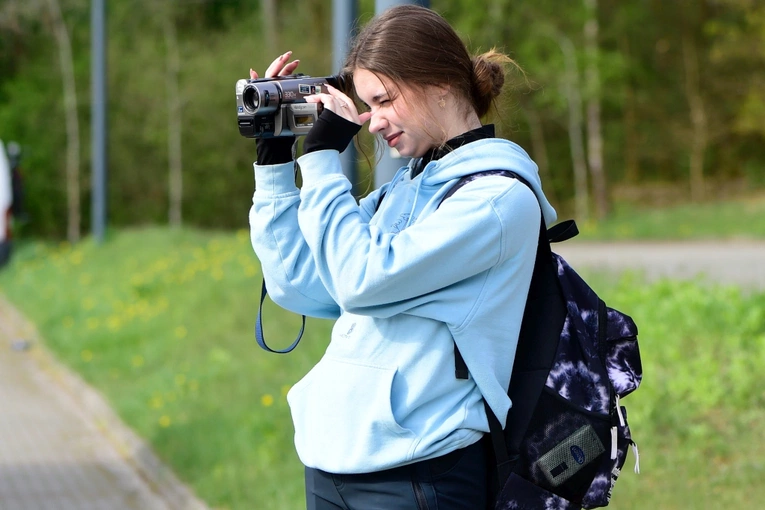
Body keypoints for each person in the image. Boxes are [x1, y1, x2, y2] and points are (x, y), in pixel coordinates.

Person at [248, 5, 557, 509]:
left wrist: (324, 163)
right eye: (367, 104)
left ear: (440, 83)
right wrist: (276, 163)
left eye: (384, 100)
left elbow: (361, 281)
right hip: (333, 461)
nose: (373, 123)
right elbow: (299, 284)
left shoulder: (497, 200)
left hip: (417, 471)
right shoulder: (404, 189)